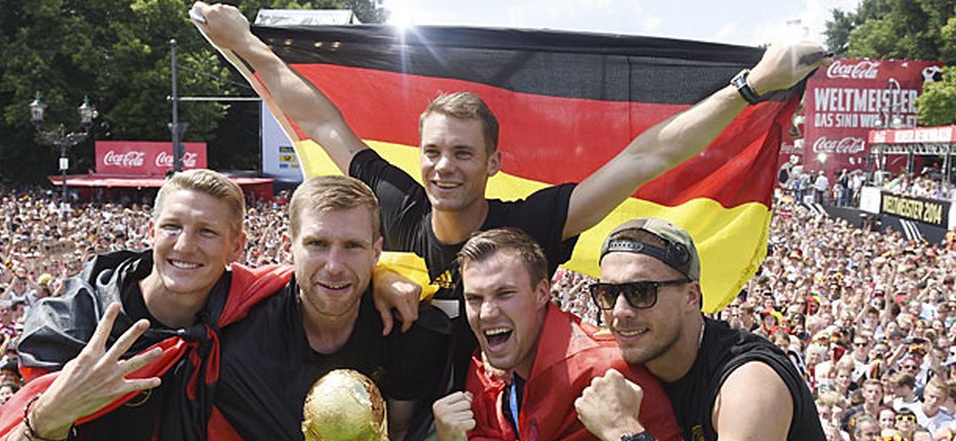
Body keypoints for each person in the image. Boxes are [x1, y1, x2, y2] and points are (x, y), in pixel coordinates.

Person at [192, 1, 827, 316]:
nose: (444, 167)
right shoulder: (394, 199)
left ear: (494, 163)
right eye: (433, 151)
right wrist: (245, 43)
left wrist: (751, 87)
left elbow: (645, 156)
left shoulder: (529, 227)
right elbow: (324, 119)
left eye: (463, 154)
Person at [0, 169, 297, 441]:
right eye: (172, 227)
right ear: (150, 231)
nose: (185, 244)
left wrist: (391, 281)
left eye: (207, 232)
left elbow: (334, 278)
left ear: (237, 247)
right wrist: (53, 413)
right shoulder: (79, 322)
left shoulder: (255, 313)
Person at [574, 217, 879, 441]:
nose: (621, 311)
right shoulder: (636, 362)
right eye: (608, 294)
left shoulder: (749, 381)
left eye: (642, 292)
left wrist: (623, 432)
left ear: (692, 296)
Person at [432, 228, 712, 441]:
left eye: (505, 294)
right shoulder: (486, 381)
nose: (487, 312)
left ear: (542, 293)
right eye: (475, 299)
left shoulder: (608, 371)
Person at [210, 175, 451, 441]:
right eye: (318, 244)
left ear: (377, 252)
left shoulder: (412, 331)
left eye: (352, 246)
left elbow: (403, 429)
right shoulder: (239, 344)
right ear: (290, 246)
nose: (335, 266)